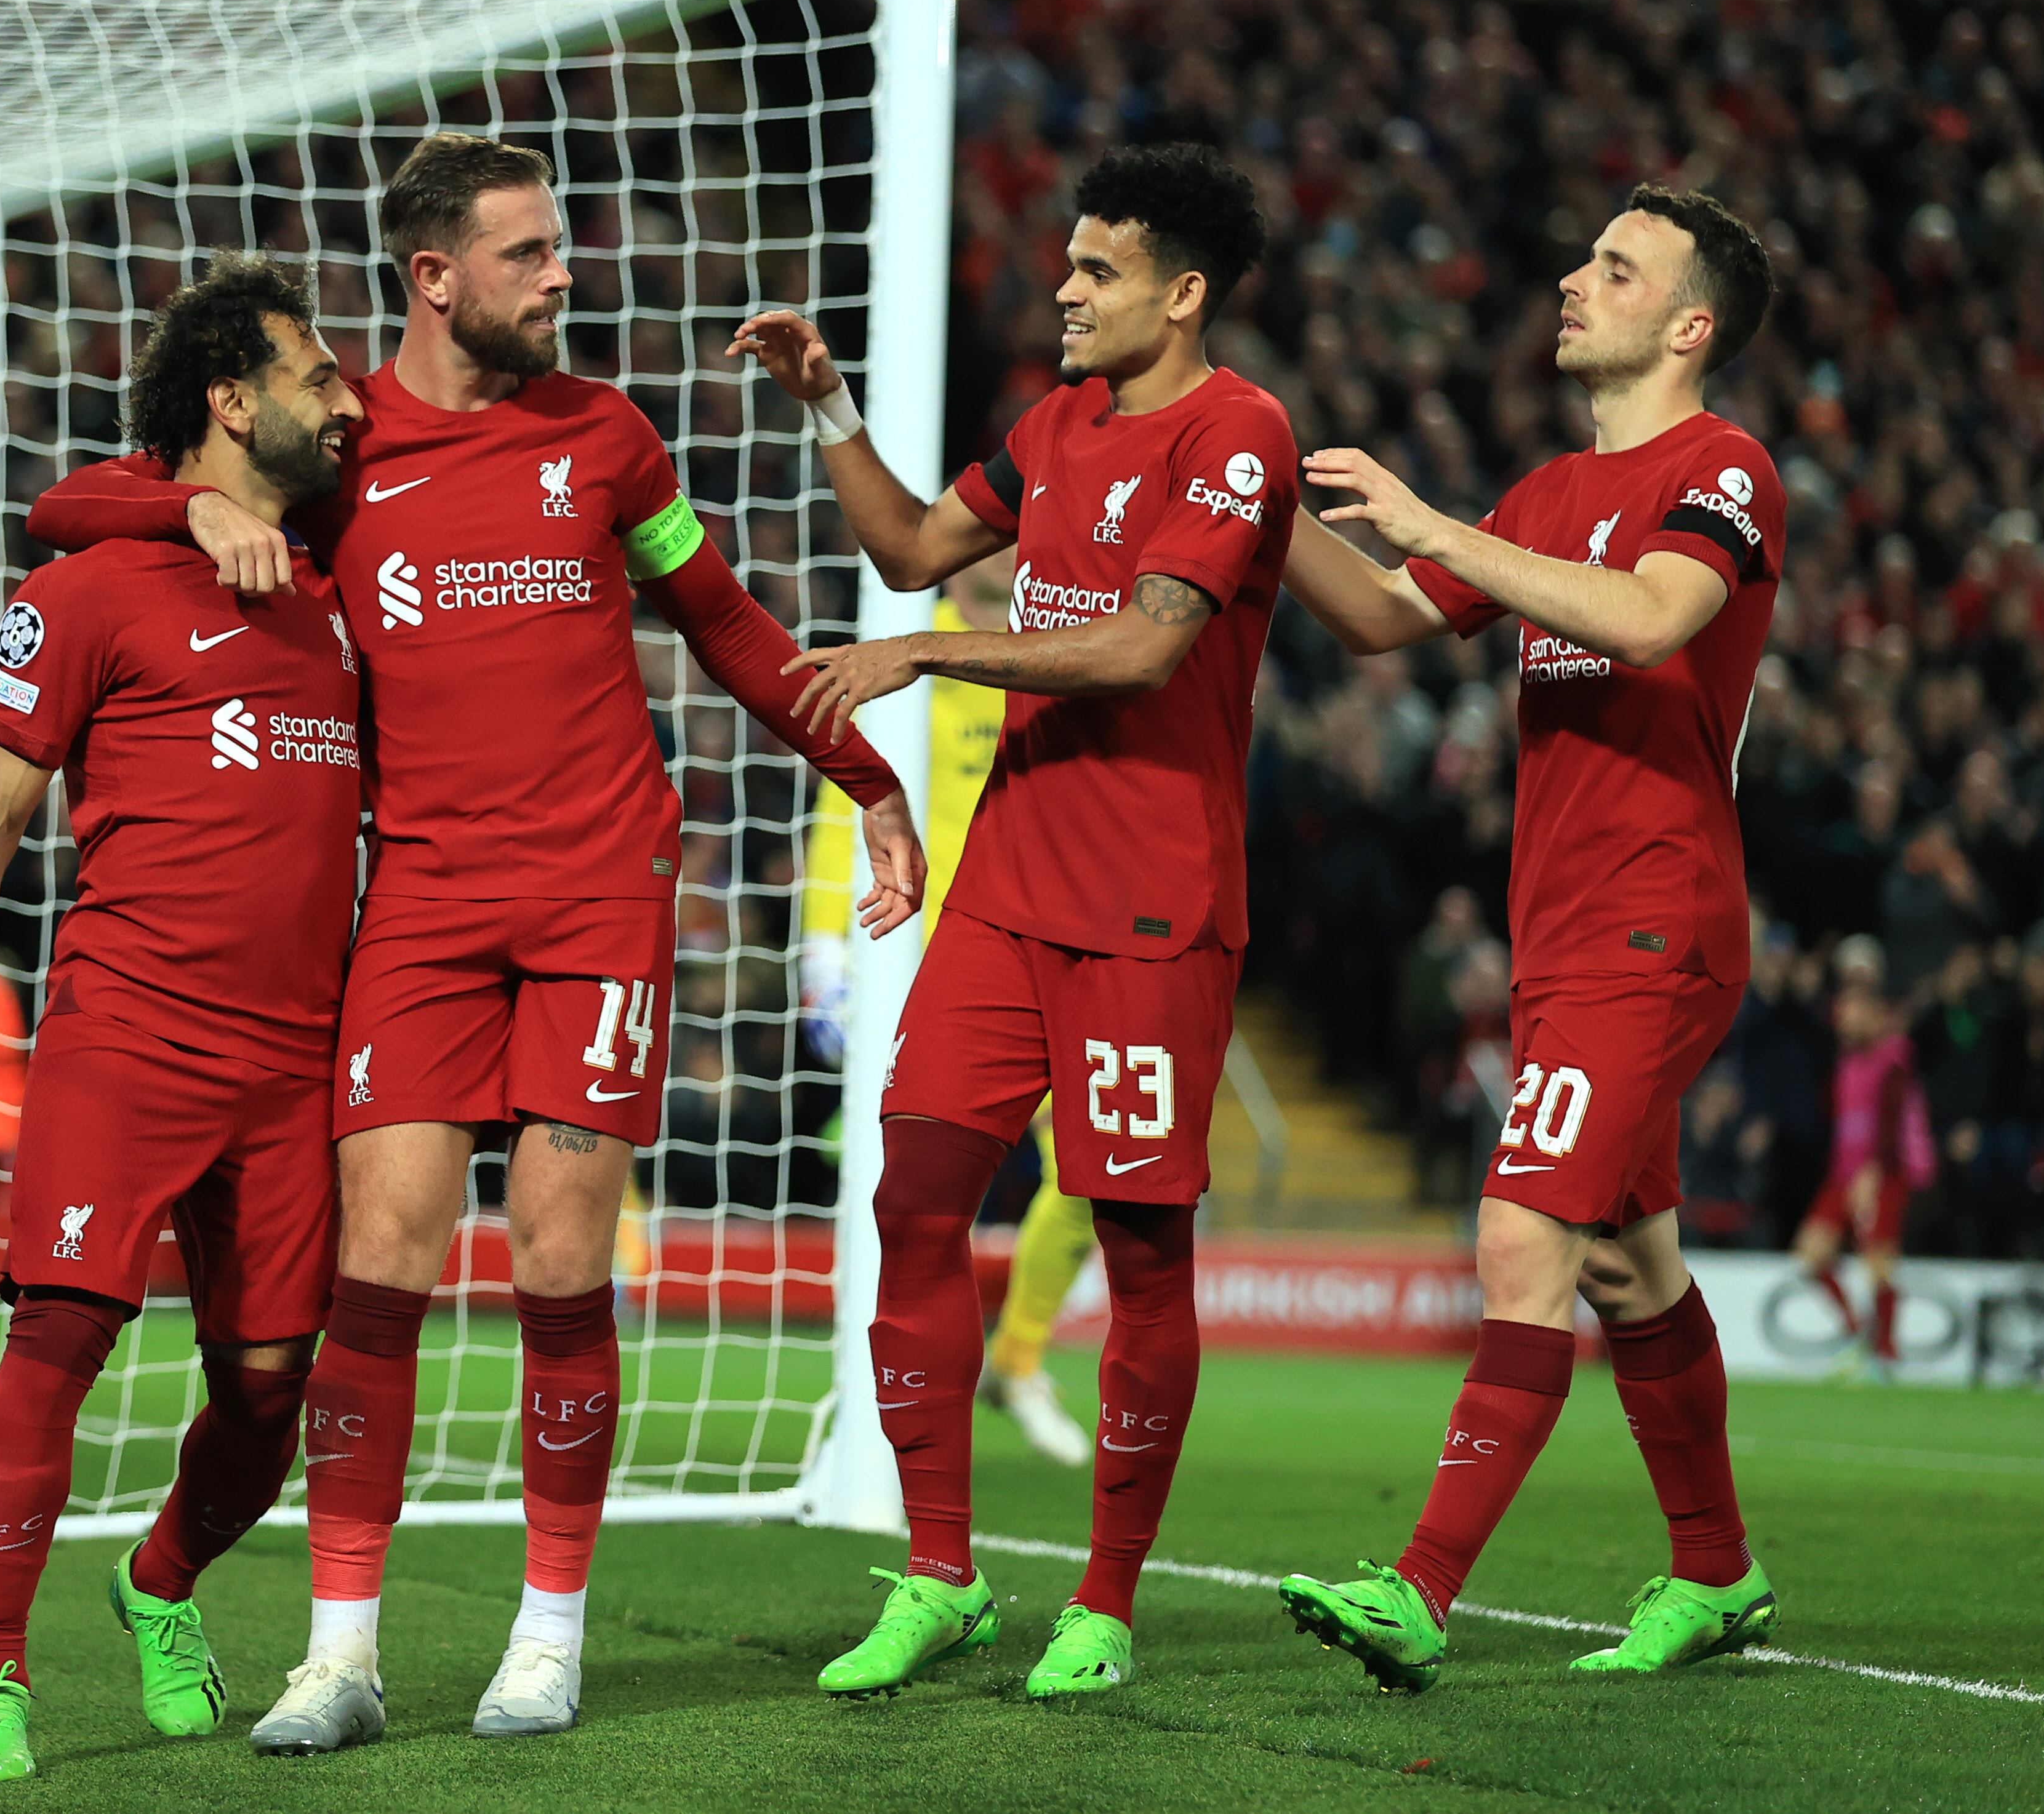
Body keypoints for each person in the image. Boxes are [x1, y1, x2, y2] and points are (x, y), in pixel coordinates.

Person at [22, 133, 924, 1750]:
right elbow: (65, 499)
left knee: (560, 1265)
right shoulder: (345, 450)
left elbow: (721, 621)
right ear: (432, 277)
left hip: (596, 906)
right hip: (420, 909)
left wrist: (867, 781)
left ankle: (547, 1634)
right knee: (376, 1270)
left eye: (556, 247)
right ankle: (342, 1653)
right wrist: (182, 511)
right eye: (525, 254)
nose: (560, 274)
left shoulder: (610, 444)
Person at [734, 140, 1291, 1700]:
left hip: (1149, 910)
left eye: (1099, 269)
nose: (1064, 285)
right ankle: (939, 1574)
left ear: (1179, 294)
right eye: (1070, 261)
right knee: (913, 1200)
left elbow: (1139, 652)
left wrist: (928, 661)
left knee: (1138, 1238)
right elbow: (913, 549)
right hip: (1007, 892)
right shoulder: (1053, 426)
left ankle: (1104, 1602)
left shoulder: (1238, 432)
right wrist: (830, 409)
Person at [0, 253, 367, 1782]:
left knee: (270, 1402)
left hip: (294, 1065)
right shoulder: (79, 596)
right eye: (315, 372)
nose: (344, 397)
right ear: (232, 400)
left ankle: (155, 1584)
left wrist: (193, 503)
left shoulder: (339, 583)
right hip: (126, 1037)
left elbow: (96, 486)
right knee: (58, 1341)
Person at [1272, 184, 1785, 1687]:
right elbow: (1381, 619)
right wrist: (1246, 511)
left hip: (1656, 918)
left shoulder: (1725, 468)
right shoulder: (1550, 488)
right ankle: (1716, 1574)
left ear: (1688, 327)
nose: (1572, 281)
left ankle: (1421, 1590)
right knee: (1628, 1271)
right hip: (1562, 929)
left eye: (1613, 268)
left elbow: (1646, 619)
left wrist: (1437, 521)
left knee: (1520, 1231)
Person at [798, 548, 1097, 1469]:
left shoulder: (1052, 662)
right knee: (907, 1197)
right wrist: (823, 953)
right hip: (915, 971)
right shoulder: (910, 666)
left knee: (1093, 1174)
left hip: (1043, 956)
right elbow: (845, 805)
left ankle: (1015, 1360)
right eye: (996, 540)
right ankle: (872, 1393)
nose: (1012, 556)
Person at [1794, 973, 1934, 1376]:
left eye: (1852, 1012)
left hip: (1881, 1173)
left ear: (1876, 1015)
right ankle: (1857, 1330)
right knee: (1811, 1251)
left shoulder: (1894, 1056)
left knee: (1878, 1263)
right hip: (1842, 1175)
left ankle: (1885, 1354)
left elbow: (1890, 1119)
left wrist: (1873, 1173)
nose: (1843, 1020)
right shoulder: (1845, 1062)